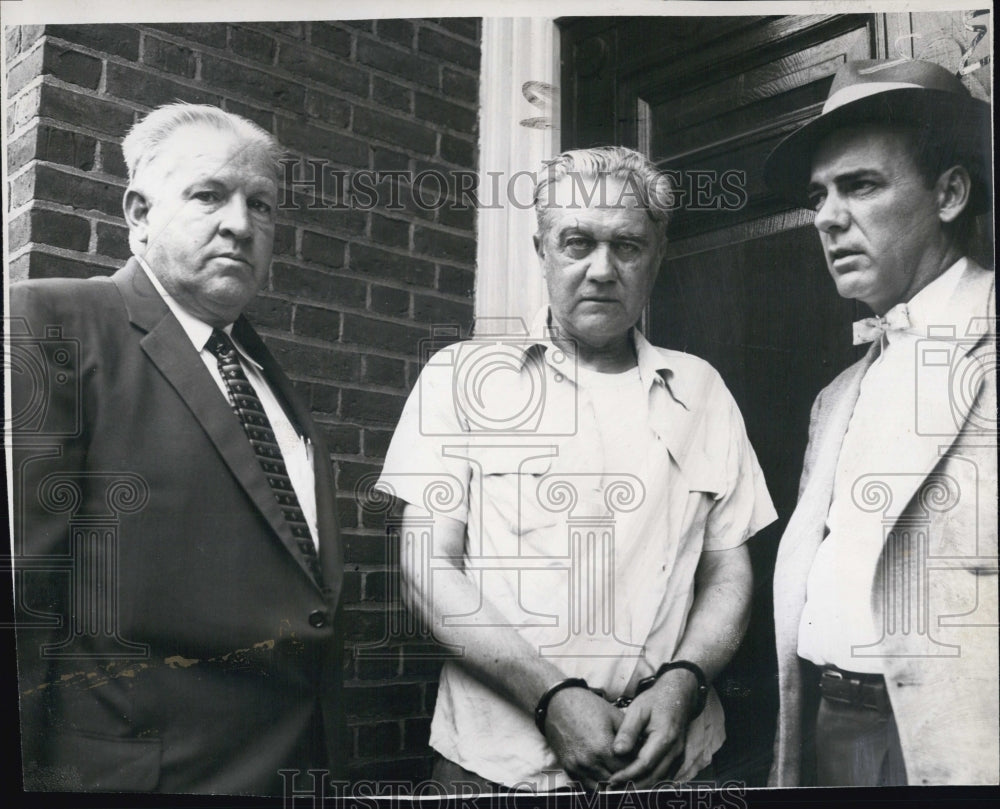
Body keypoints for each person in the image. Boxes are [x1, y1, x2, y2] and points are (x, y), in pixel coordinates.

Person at [375, 146, 776, 791]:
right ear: (541, 251)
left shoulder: (702, 391)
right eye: (577, 242)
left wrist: (684, 684)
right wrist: (551, 699)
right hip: (498, 769)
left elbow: (728, 569)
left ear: (657, 256)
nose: (602, 270)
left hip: (670, 768)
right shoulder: (460, 378)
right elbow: (426, 569)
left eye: (627, 246)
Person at [10, 103, 345, 795]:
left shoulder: (268, 380)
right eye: (208, 195)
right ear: (139, 213)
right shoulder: (52, 324)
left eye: (261, 205)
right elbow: (19, 596)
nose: (240, 224)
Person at [764, 59, 997, 786]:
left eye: (860, 185)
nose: (827, 217)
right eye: (818, 195)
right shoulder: (837, 395)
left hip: (964, 749)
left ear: (949, 193)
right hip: (828, 732)